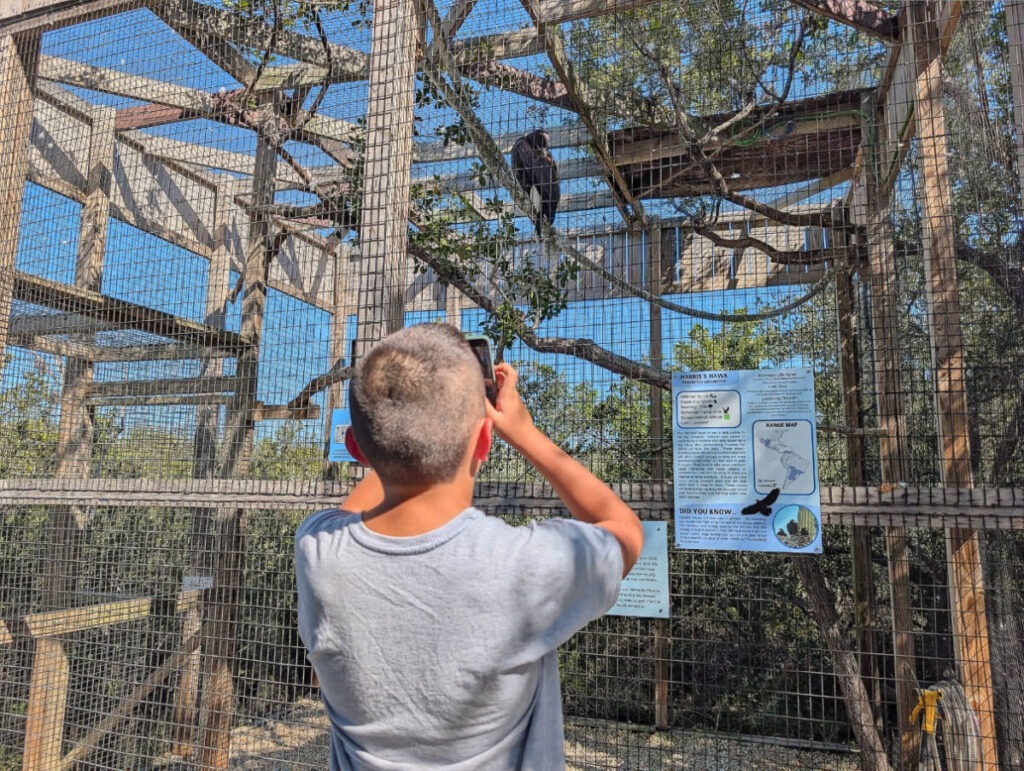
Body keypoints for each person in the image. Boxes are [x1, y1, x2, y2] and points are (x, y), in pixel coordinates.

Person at [294, 323, 643, 770]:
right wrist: (524, 433)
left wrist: (388, 437)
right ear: (484, 441)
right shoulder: (519, 566)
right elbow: (625, 531)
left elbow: (360, 503)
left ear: (358, 450)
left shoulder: (318, 551)